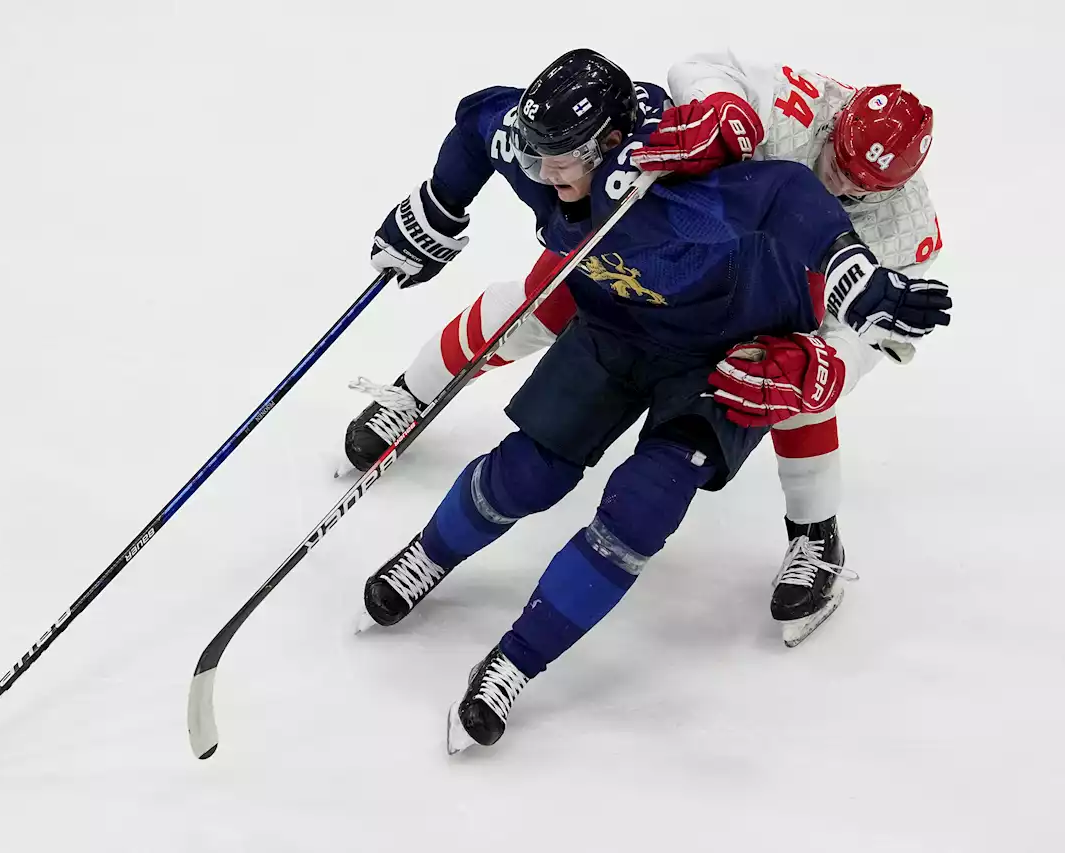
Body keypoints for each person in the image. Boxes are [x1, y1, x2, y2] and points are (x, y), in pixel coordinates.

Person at [354, 49, 951, 751]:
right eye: (539, 156)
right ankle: (417, 451)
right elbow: (484, 117)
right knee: (527, 426)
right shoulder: (563, 147)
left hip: (733, 337)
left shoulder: (681, 190)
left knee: (674, 482)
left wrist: (846, 318)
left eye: (561, 160)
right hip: (620, 306)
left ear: (609, 145)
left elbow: (789, 199)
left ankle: (808, 536)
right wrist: (436, 206)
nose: (543, 173)